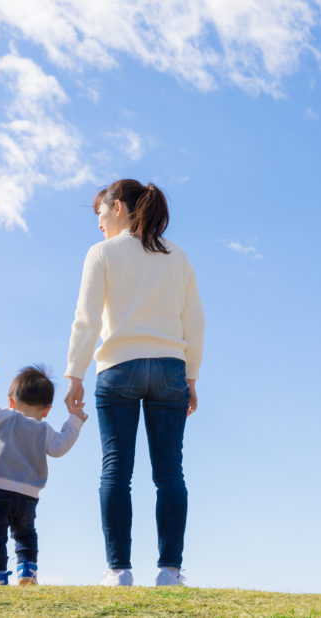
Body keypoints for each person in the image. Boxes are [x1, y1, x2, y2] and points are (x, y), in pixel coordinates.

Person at [65, 179, 205, 587]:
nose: (99, 223)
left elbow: (87, 319)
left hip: (118, 368)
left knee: (116, 470)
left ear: (120, 207)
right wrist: (191, 375)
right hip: (169, 369)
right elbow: (194, 321)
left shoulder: (102, 253)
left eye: (101, 213)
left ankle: (119, 570)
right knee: (169, 473)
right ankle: (169, 571)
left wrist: (74, 373)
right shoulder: (178, 256)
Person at [0, 365, 87, 586]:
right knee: (25, 534)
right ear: (47, 409)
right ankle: (27, 570)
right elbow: (60, 447)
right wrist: (75, 420)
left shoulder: (3, 417)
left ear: (11, 401)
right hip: (28, 496)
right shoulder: (45, 430)